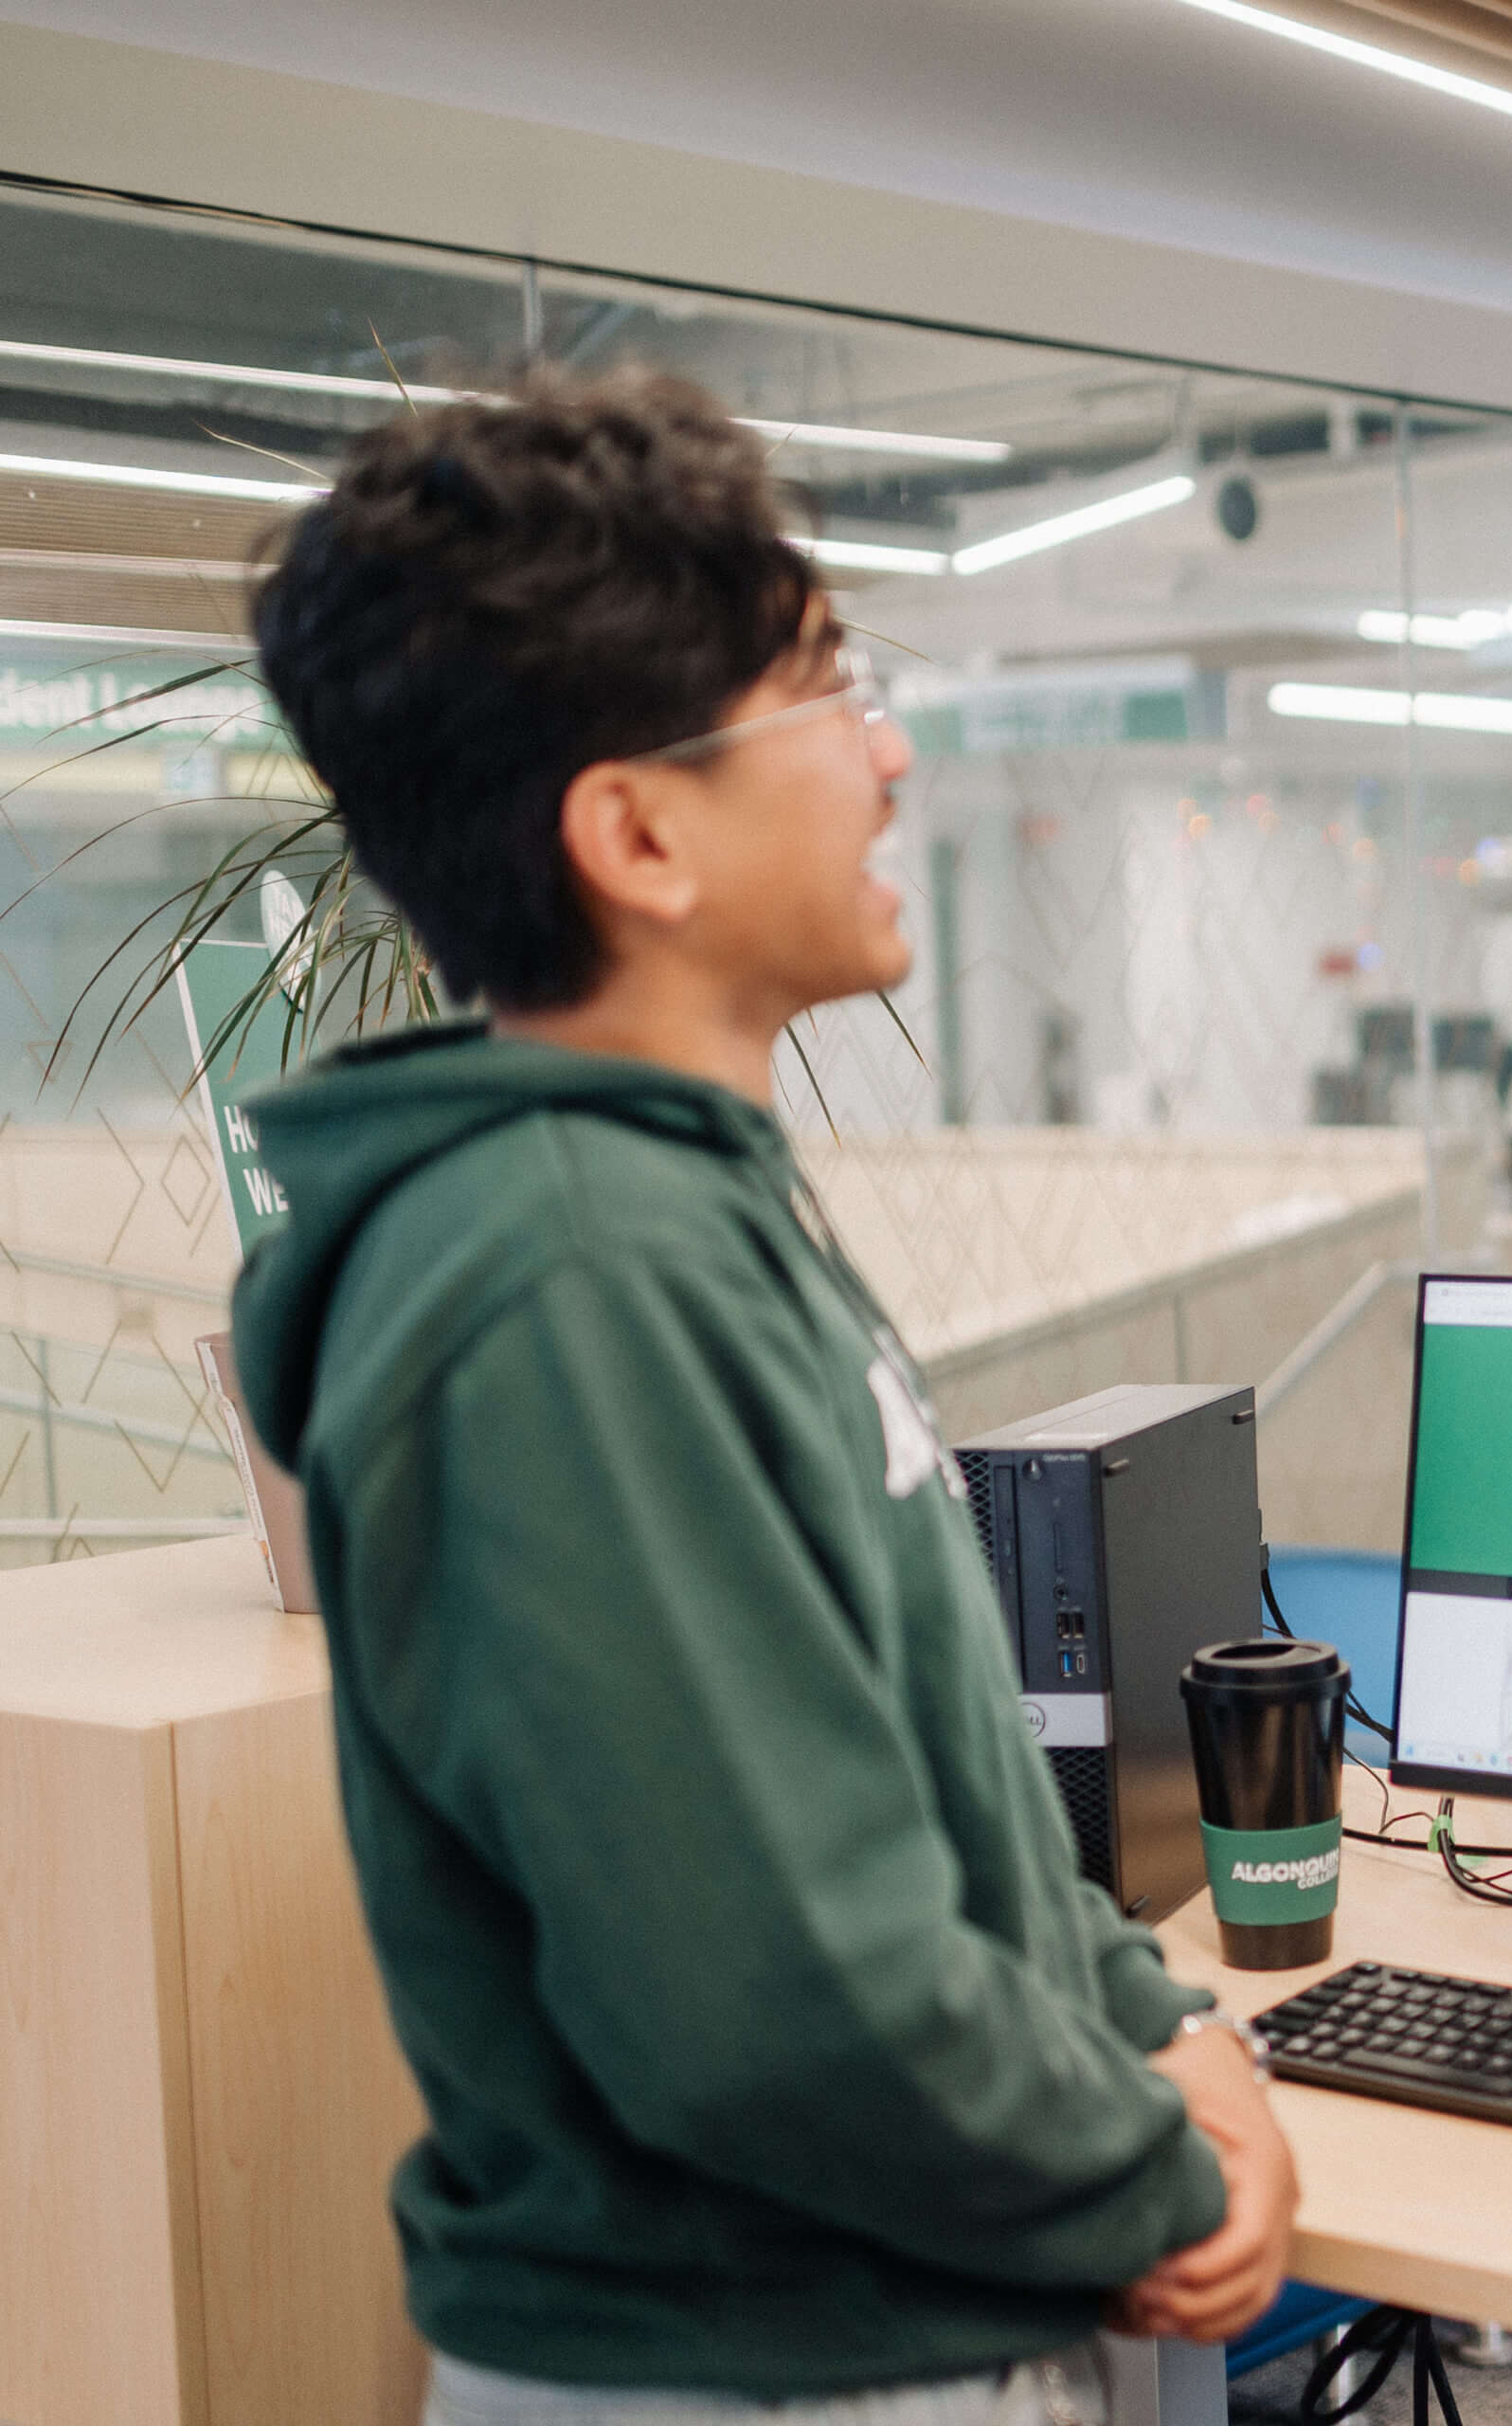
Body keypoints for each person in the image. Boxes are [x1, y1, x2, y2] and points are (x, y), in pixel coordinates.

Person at [225, 369, 1299, 2424]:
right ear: (637, 831)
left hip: (893, 2315)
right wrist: (1158, 2150)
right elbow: (773, 1998)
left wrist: (1163, 2026)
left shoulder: (678, 1209)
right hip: (773, 2365)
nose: (889, 757)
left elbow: (935, 1802)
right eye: (823, 694)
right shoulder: (563, 1278)